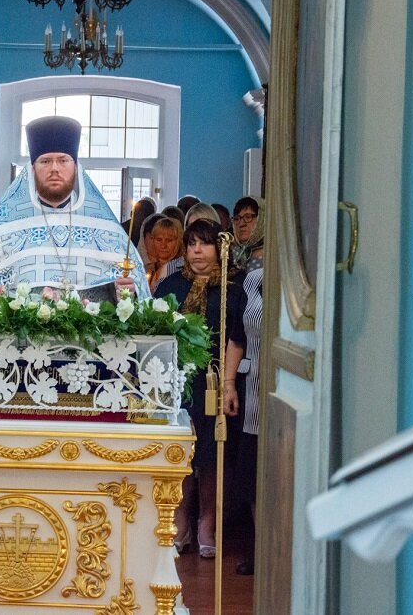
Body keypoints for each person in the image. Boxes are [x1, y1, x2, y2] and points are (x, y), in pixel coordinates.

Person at [0, 116, 148, 300]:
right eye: (45, 161)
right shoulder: (3, 229)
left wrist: (128, 294)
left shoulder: (107, 231)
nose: (54, 168)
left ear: (76, 167)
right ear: (32, 169)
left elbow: (135, 297)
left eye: (63, 160)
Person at [154, 219, 245, 558]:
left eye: (204, 244)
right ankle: (181, 520)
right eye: (191, 244)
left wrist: (229, 384)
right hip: (177, 381)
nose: (197, 251)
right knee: (180, 452)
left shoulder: (232, 288)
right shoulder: (171, 286)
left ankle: (207, 522)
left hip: (214, 381)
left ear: (219, 249)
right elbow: (155, 332)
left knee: (211, 456)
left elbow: (237, 338)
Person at [224, 196, 265, 575]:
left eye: (251, 218)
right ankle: (259, 548)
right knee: (251, 474)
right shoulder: (250, 278)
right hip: (252, 389)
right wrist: (228, 385)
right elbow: (237, 335)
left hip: (282, 383)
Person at [143, 217, 184, 293]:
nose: (163, 245)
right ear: (153, 240)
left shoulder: (183, 271)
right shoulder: (145, 270)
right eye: (159, 240)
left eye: (169, 240)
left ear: (178, 241)